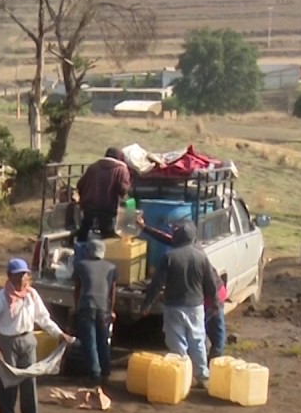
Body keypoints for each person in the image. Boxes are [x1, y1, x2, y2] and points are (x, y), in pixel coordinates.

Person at [0, 259, 74, 413]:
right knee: (8, 385)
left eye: (24, 275)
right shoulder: (0, 299)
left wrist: (59, 334)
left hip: (28, 341)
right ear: (10, 276)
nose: (23, 279)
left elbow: (43, 318)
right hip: (6, 343)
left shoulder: (31, 295)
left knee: (29, 384)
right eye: (19, 275)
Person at [141, 220, 221, 388]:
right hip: (196, 306)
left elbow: (157, 284)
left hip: (174, 306)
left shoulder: (169, 257)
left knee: (176, 341)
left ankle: (181, 376)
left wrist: (147, 304)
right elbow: (210, 282)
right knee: (197, 340)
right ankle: (202, 376)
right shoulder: (201, 256)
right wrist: (214, 302)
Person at [72, 238, 118, 386]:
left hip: (86, 306)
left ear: (88, 251)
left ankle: (94, 375)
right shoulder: (111, 267)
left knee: (90, 341)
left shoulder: (81, 265)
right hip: (103, 307)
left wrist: (76, 307)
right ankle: (106, 372)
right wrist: (111, 310)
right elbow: (112, 291)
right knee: (103, 341)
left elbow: (77, 289)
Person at [75, 147, 132, 241]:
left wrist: (83, 197)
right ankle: (105, 248)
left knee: (85, 227)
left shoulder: (93, 167)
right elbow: (123, 189)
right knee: (107, 233)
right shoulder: (121, 169)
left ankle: (80, 245)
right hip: (107, 207)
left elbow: (80, 184)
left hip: (89, 204)